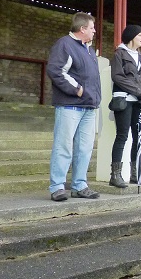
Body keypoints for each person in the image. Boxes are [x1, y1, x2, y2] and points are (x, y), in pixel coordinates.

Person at [46, 12, 101, 201]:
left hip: (88, 107)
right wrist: (77, 89)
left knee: (84, 148)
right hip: (70, 105)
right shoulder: (65, 45)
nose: (95, 31)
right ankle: (57, 186)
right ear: (82, 29)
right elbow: (55, 70)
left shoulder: (89, 49)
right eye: (92, 28)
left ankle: (79, 185)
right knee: (64, 146)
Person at [110, 24, 141, 188]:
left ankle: (136, 174)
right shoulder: (119, 54)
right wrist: (137, 91)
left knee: (138, 137)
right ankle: (115, 175)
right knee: (122, 136)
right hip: (123, 100)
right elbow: (118, 77)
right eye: (140, 35)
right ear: (131, 36)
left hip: (138, 101)